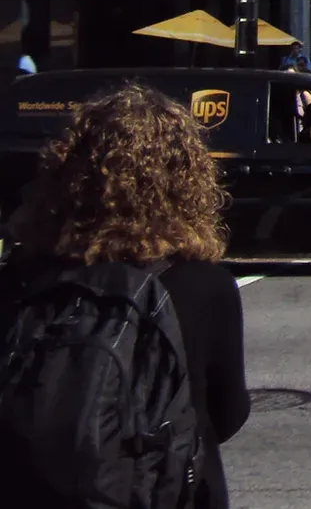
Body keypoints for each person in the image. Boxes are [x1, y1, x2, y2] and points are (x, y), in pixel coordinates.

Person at [2, 84, 249, 508]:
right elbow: (227, 412)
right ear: (186, 180)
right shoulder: (203, 285)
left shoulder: (21, 280)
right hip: (168, 490)